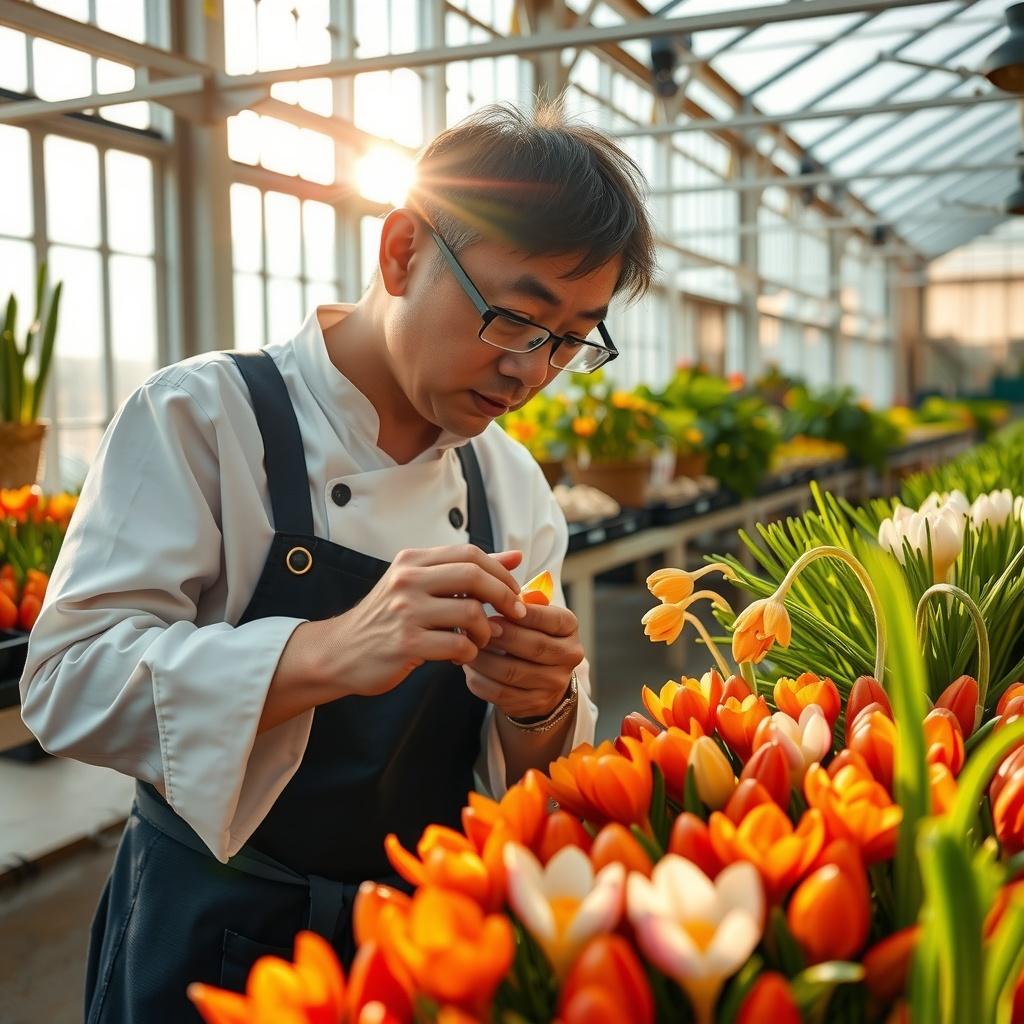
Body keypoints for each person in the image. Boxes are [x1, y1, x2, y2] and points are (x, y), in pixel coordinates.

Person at [19, 100, 655, 1023]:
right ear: (402, 252)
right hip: (209, 930)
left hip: (424, 936)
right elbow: (65, 681)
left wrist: (539, 704)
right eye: (516, 318)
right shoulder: (204, 416)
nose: (530, 370)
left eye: (569, 340)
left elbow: (533, 777)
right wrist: (329, 650)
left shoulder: (510, 483)